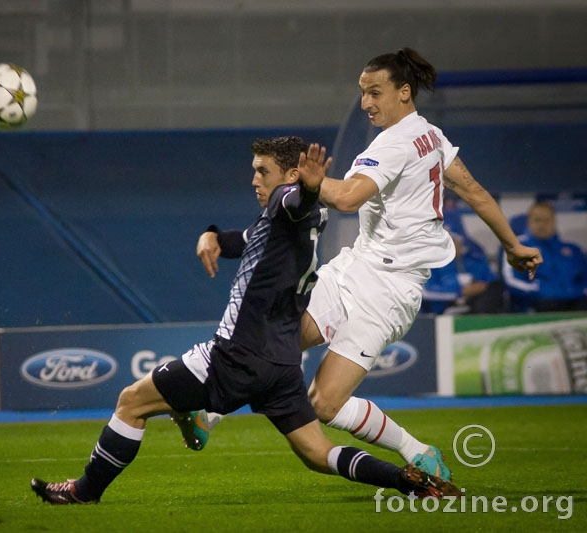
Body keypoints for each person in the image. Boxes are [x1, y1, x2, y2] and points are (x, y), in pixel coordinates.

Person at [175, 48, 543, 483]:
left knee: (324, 405)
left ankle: (417, 451)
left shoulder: (394, 143)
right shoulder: (431, 136)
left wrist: (300, 180)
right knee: (275, 344)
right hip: (354, 268)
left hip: (388, 293)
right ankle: (209, 411)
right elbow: (476, 192)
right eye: (362, 93)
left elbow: (348, 198)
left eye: (375, 92)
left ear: (404, 92)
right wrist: (514, 245)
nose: (366, 102)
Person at [30, 136, 459, 505]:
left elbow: (295, 201)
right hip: (282, 365)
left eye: (262, 171)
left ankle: (85, 490)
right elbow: (250, 238)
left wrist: (307, 189)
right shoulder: (297, 218)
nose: (255, 179)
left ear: (290, 175)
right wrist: (214, 236)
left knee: (131, 402)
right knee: (317, 453)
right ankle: (405, 480)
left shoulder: (288, 201)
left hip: (235, 357)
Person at [501, 201, 587, 312]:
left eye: (546, 220)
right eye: (537, 220)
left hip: (575, 301)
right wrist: (540, 290)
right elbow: (512, 281)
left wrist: (575, 292)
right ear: (528, 222)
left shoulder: (572, 249)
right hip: (538, 302)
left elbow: (584, 279)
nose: (542, 225)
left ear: (554, 222)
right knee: (547, 305)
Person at [420, 217, 506, 315]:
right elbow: (425, 293)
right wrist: (460, 292)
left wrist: (480, 287)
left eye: (451, 239)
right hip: (441, 314)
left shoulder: (475, 259)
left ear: (460, 241)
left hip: (475, 310)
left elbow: (492, 284)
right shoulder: (429, 263)